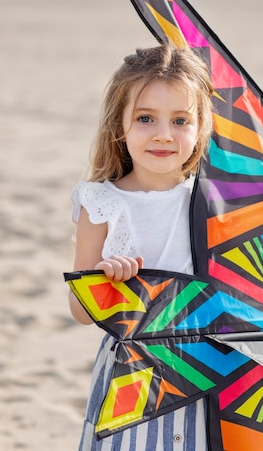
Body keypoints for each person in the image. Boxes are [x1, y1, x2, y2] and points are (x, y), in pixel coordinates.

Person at [69, 43, 214, 451]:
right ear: (121, 124)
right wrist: (105, 282)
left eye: (180, 120)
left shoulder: (212, 204)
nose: (163, 134)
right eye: (146, 118)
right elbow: (79, 310)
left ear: (201, 127)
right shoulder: (101, 203)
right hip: (130, 375)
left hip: (203, 366)